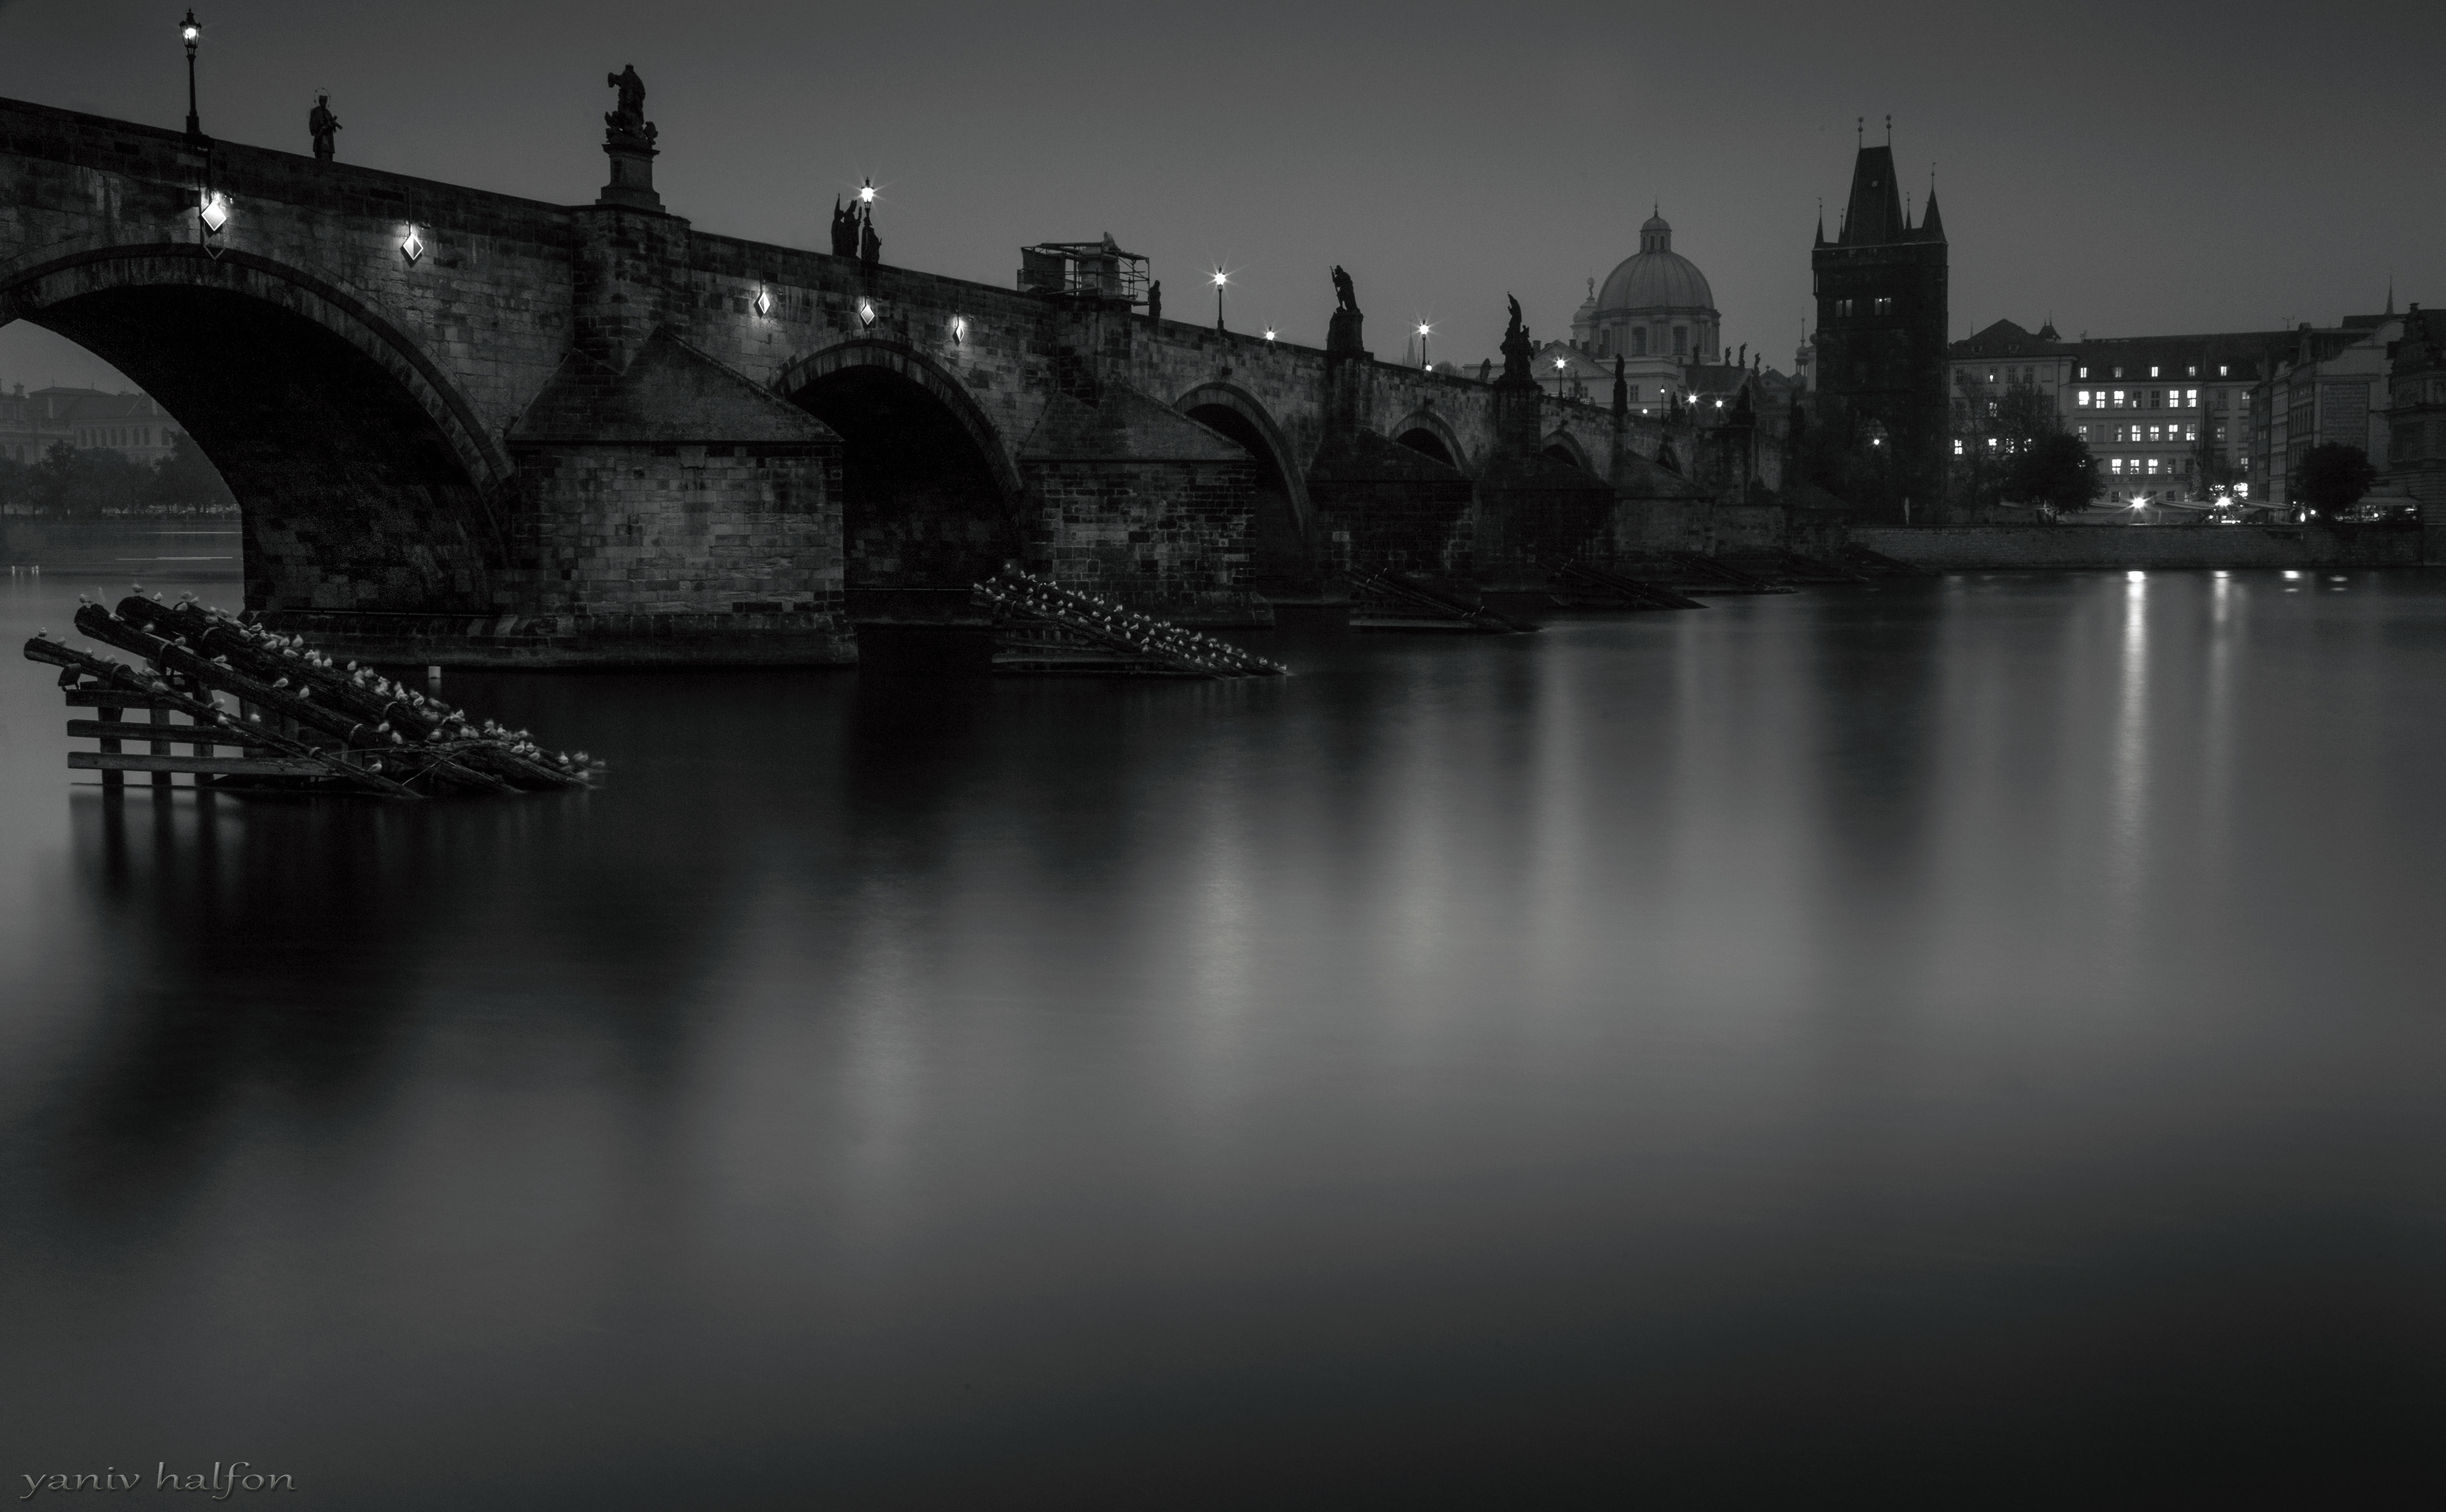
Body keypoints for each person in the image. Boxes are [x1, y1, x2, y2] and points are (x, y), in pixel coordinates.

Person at [308, 94, 341, 162]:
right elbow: (313, 123)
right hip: (320, 134)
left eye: (325, 101)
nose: (324, 103)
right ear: (320, 102)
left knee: (328, 154)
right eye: (322, 101)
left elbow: (332, 123)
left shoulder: (328, 112)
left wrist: (332, 126)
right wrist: (320, 128)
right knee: (321, 152)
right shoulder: (316, 111)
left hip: (328, 136)